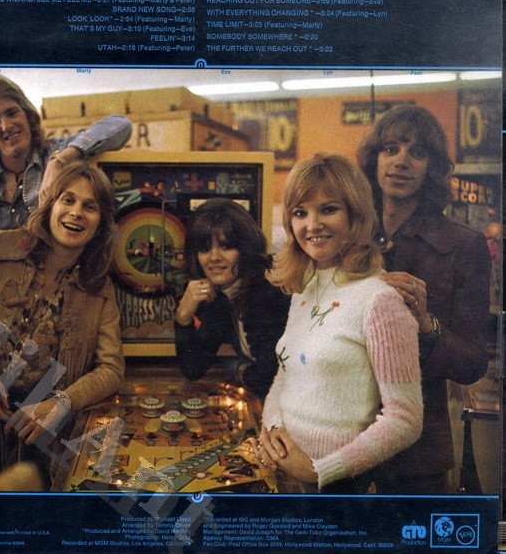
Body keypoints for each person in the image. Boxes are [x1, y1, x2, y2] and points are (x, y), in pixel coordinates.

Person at [0, 162, 125, 490]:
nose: (76, 213)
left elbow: (111, 369)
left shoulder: (98, 286)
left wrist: (62, 403)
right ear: (50, 205)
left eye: (89, 206)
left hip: (31, 442)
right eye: (68, 200)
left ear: (101, 223)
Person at [253, 154, 423, 493]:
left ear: (355, 215)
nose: (311, 225)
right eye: (300, 213)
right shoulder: (306, 287)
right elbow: (285, 376)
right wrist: (270, 430)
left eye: (328, 209)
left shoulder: (380, 299)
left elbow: (405, 419)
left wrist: (321, 471)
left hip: (338, 487)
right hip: (287, 477)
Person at [357, 105, 491, 493]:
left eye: (417, 152)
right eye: (391, 149)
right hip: (343, 434)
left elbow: (473, 363)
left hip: (416, 453)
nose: (401, 161)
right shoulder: (350, 236)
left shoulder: (464, 246)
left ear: (431, 167)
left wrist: (428, 326)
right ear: (374, 159)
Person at [0, 74, 132, 283]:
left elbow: (121, 125)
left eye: (12, 113)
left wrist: (60, 161)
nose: (6, 126)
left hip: (39, 292)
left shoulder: (57, 153)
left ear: (28, 115)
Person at [174, 198, 290, 400]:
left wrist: (239, 369)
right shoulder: (219, 296)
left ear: (245, 249)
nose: (214, 257)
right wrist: (183, 315)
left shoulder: (269, 288)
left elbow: (269, 378)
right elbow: (193, 369)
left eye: (226, 247)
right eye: (204, 249)